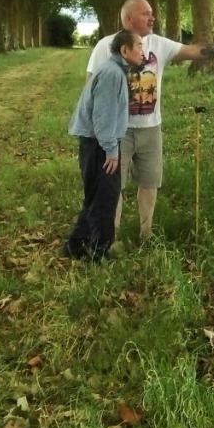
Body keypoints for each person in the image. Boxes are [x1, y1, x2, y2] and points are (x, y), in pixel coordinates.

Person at [86, 0, 214, 240]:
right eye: (146, 14)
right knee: (113, 187)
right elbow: (91, 86)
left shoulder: (159, 45)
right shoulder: (105, 46)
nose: (153, 18)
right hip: (116, 130)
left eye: (152, 13)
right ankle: (111, 238)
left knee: (150, 182)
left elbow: (196, 51)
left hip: (151, 129)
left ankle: (146, 233)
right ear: (128, 19)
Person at [63, 30, 145, 261]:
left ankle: (75, 247)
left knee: (95, 196)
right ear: (124, 50)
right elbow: (103, 117)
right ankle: (99, 252)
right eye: (138, 45)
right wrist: (111, 149)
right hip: (99, 144)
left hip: (95, 142)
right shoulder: (113, 74)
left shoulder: (114, 70)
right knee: (106, 198)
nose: (143, 51)